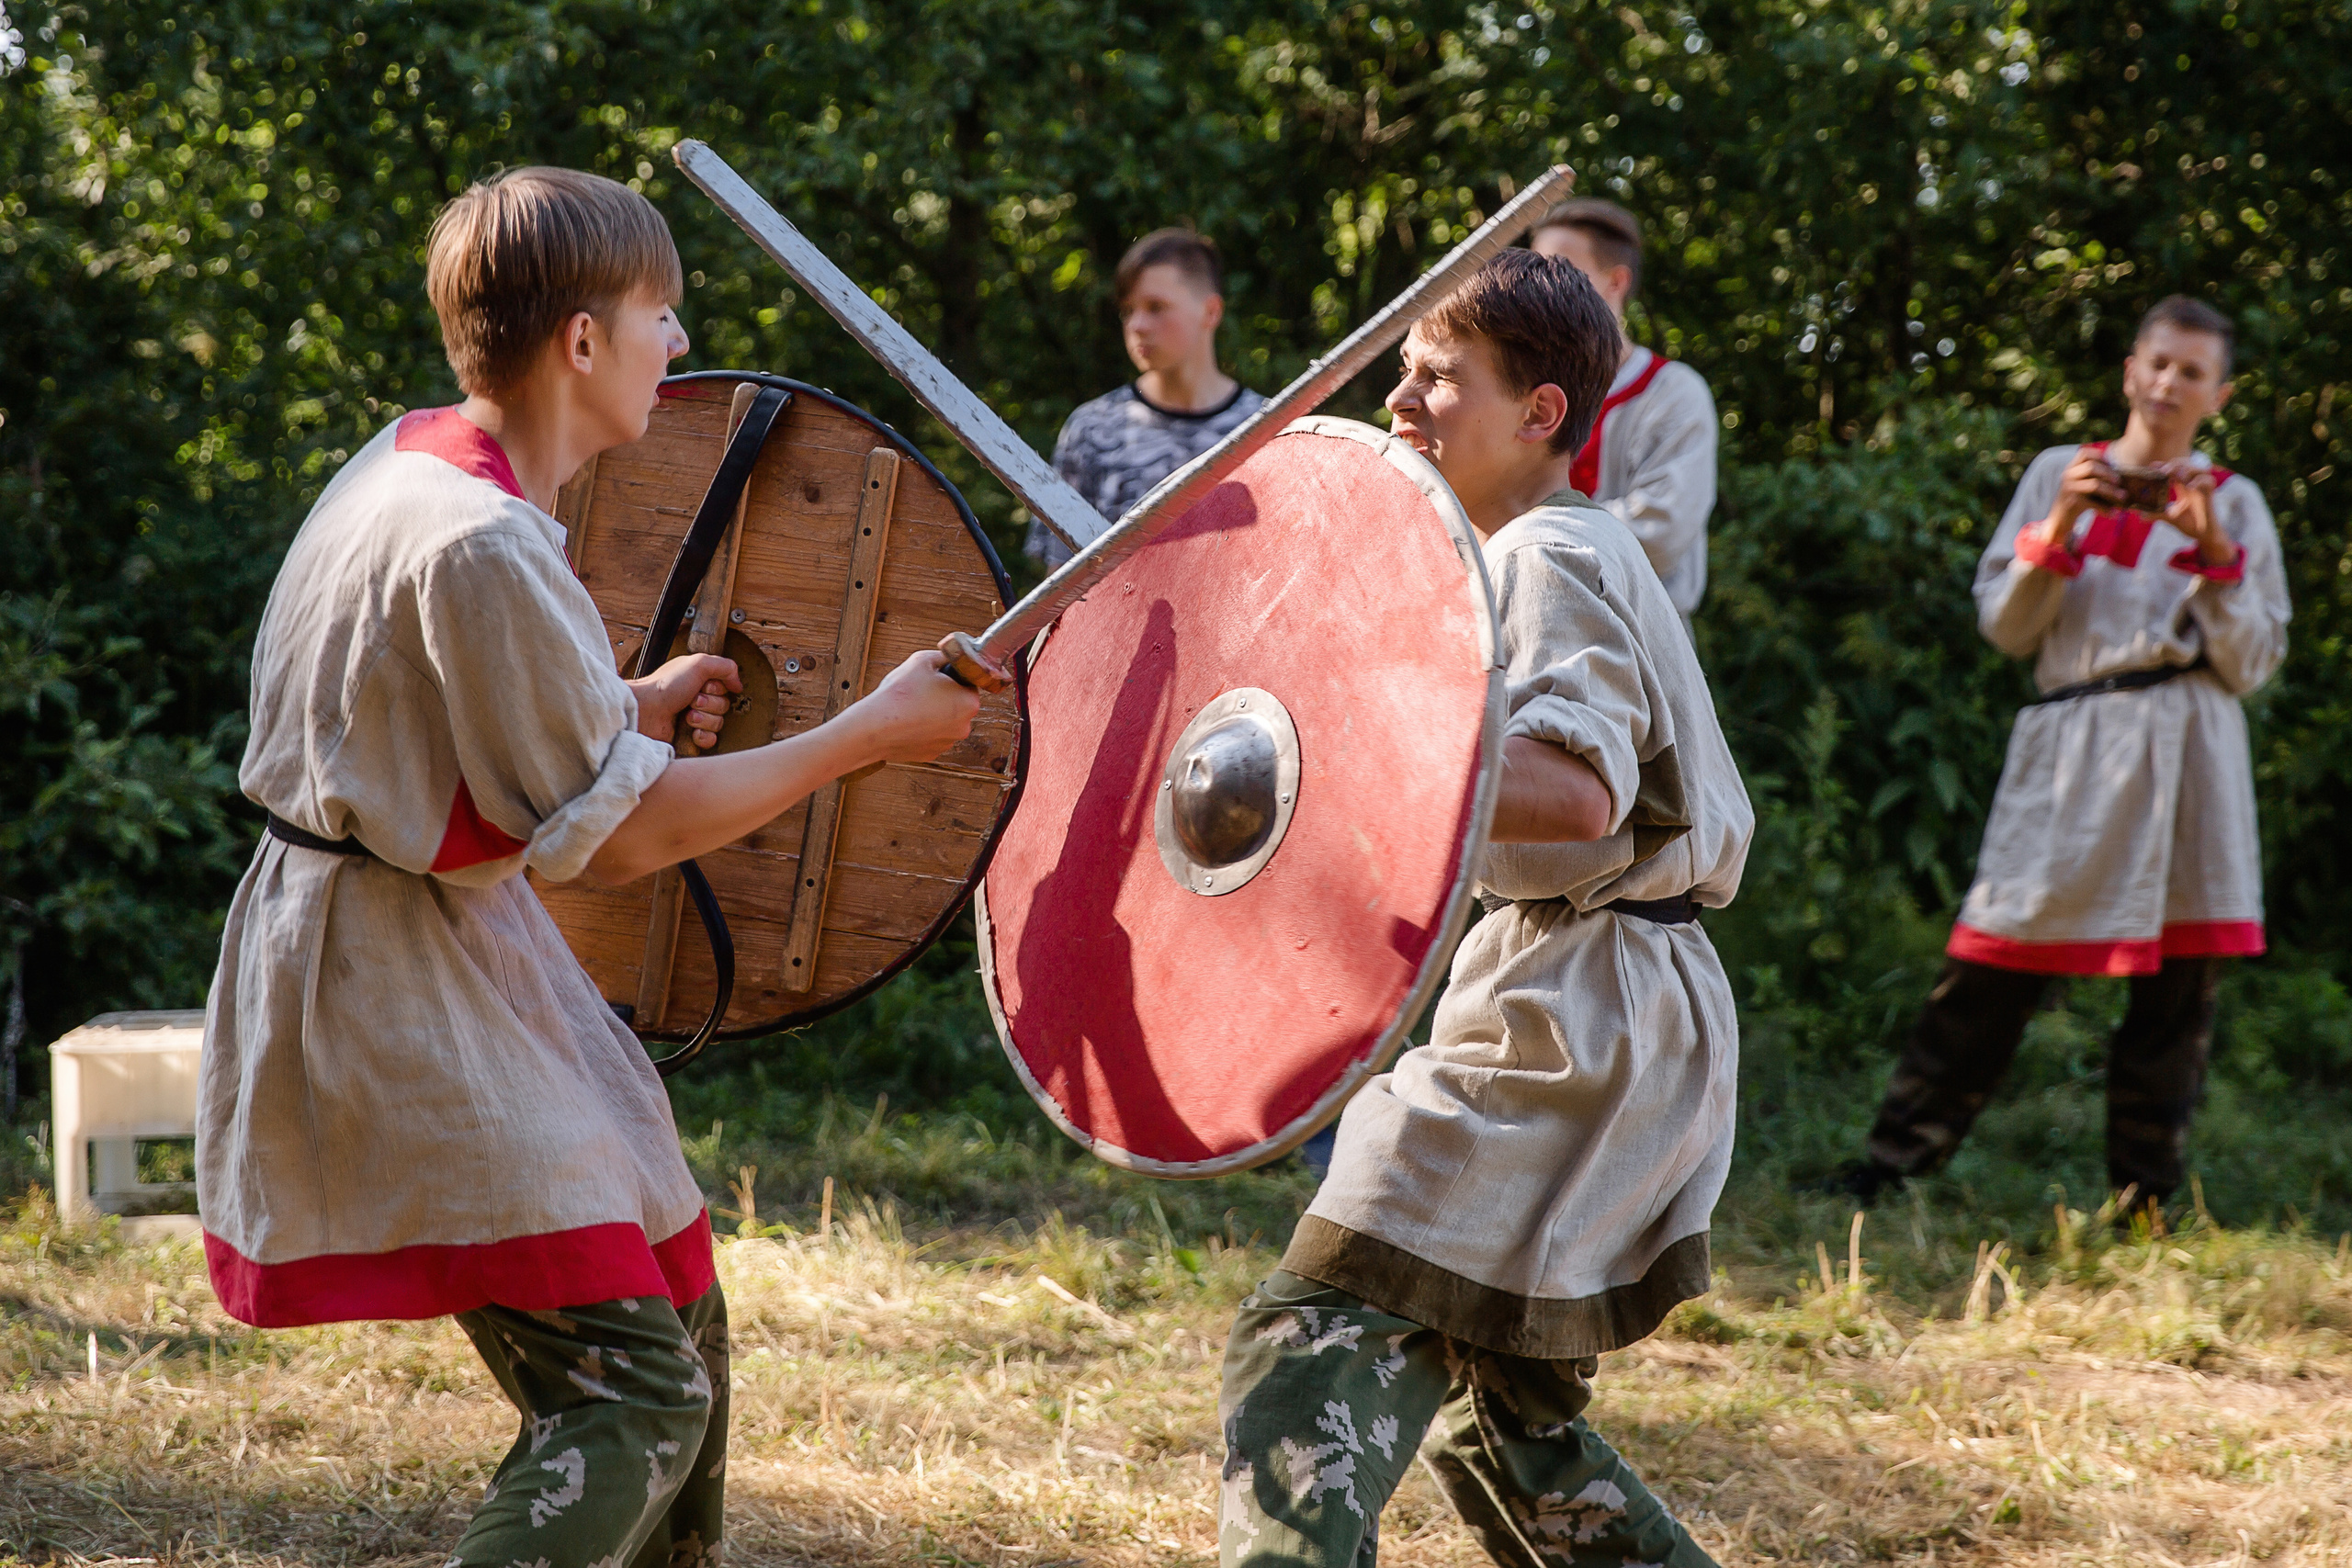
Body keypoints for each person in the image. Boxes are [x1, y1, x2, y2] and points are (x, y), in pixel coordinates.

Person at [195, 167, 980, 1568]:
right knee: (629, 1397)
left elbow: (419, 714)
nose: (678, 342)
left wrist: (622, 705)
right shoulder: (479, 538)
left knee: (681, 1316)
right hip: (389, 979)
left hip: (438, 938)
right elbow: (625, 838)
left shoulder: (415, 462)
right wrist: (869, 732)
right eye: (658, 313)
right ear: (580, 340)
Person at [1217, 250, 1752, 1568]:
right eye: (1402, 371)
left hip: (1576, 1015)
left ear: (1540, 412)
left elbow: (1572, 791)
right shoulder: (1530, 552)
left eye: (1439, 376)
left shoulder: (1547, 551)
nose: (1402, 399)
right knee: (1500, 1418)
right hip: (1608, 996)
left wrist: (1343, 741)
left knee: (1310, 1338)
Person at [1819, 297, 2290, 1213]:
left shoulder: (2235, 501)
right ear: (2129, 370)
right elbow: (2006, 626)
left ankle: (2144, 1199)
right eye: (2158, 363)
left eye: (2192, 372)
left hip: (2189, 748)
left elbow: (2252, 661)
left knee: (2177, 989)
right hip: (2073, 738)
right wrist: (2064, 522)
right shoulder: (2055, 473)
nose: (2169, 384)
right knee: (1993, 955)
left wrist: (2212, 548)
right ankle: (1893, 1161)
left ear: (2218, 395)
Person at [1023, 227, 1264, 570]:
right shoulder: (1091, 430)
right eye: (1127, 310)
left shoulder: (1270, 431)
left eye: (1156, 307)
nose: (1137, 324)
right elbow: (1060, 587)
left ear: (1211, 312)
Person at [1529, 199, 1717, 626]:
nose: (1543, 289)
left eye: (1563, 272)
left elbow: (1659, 533)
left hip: (1642, 640)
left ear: (1616, 282)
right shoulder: (1521, 393)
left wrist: (1527, 527)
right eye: (1536, 272)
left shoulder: (1672, 393)